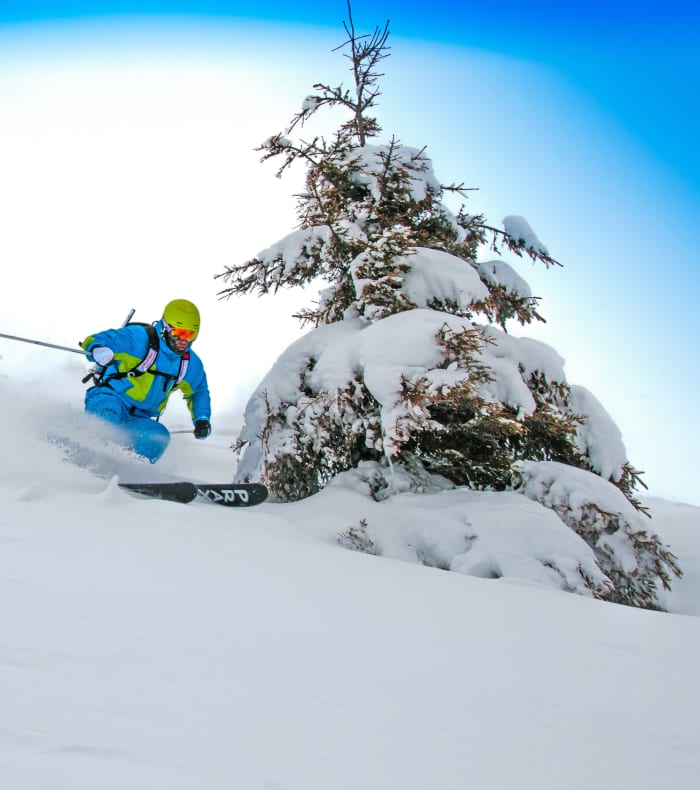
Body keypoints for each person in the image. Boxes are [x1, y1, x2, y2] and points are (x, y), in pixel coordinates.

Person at [81, 299, 212, 463]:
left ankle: (129, 472)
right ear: (165, 327)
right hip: (109, 399)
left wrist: (202, 419)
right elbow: (98, 339)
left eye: (190, 334)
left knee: (158, 436)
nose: (183, 340)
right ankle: (86, 458)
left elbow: (198, 392)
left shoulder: (189, 363)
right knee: (107, 416)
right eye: (178, 333)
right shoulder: (139, 338)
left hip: (139, 418)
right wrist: (97, 349)